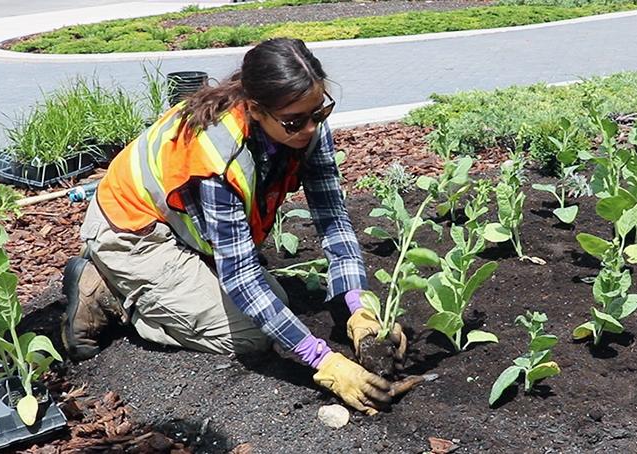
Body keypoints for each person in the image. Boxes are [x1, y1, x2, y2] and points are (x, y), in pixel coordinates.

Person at [61, 37, 406, 415]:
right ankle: (110, 292)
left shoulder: (303, 123)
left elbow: (332, 218)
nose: (310, 128)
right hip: (133, 230)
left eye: (318, 113)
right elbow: (241, 275)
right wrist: (322, 361)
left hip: (185, 227)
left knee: (277, 304)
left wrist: (358, 304)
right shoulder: (216, 155)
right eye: (295, 121)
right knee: (251, 336)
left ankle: (160, 283)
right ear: (256, 110)